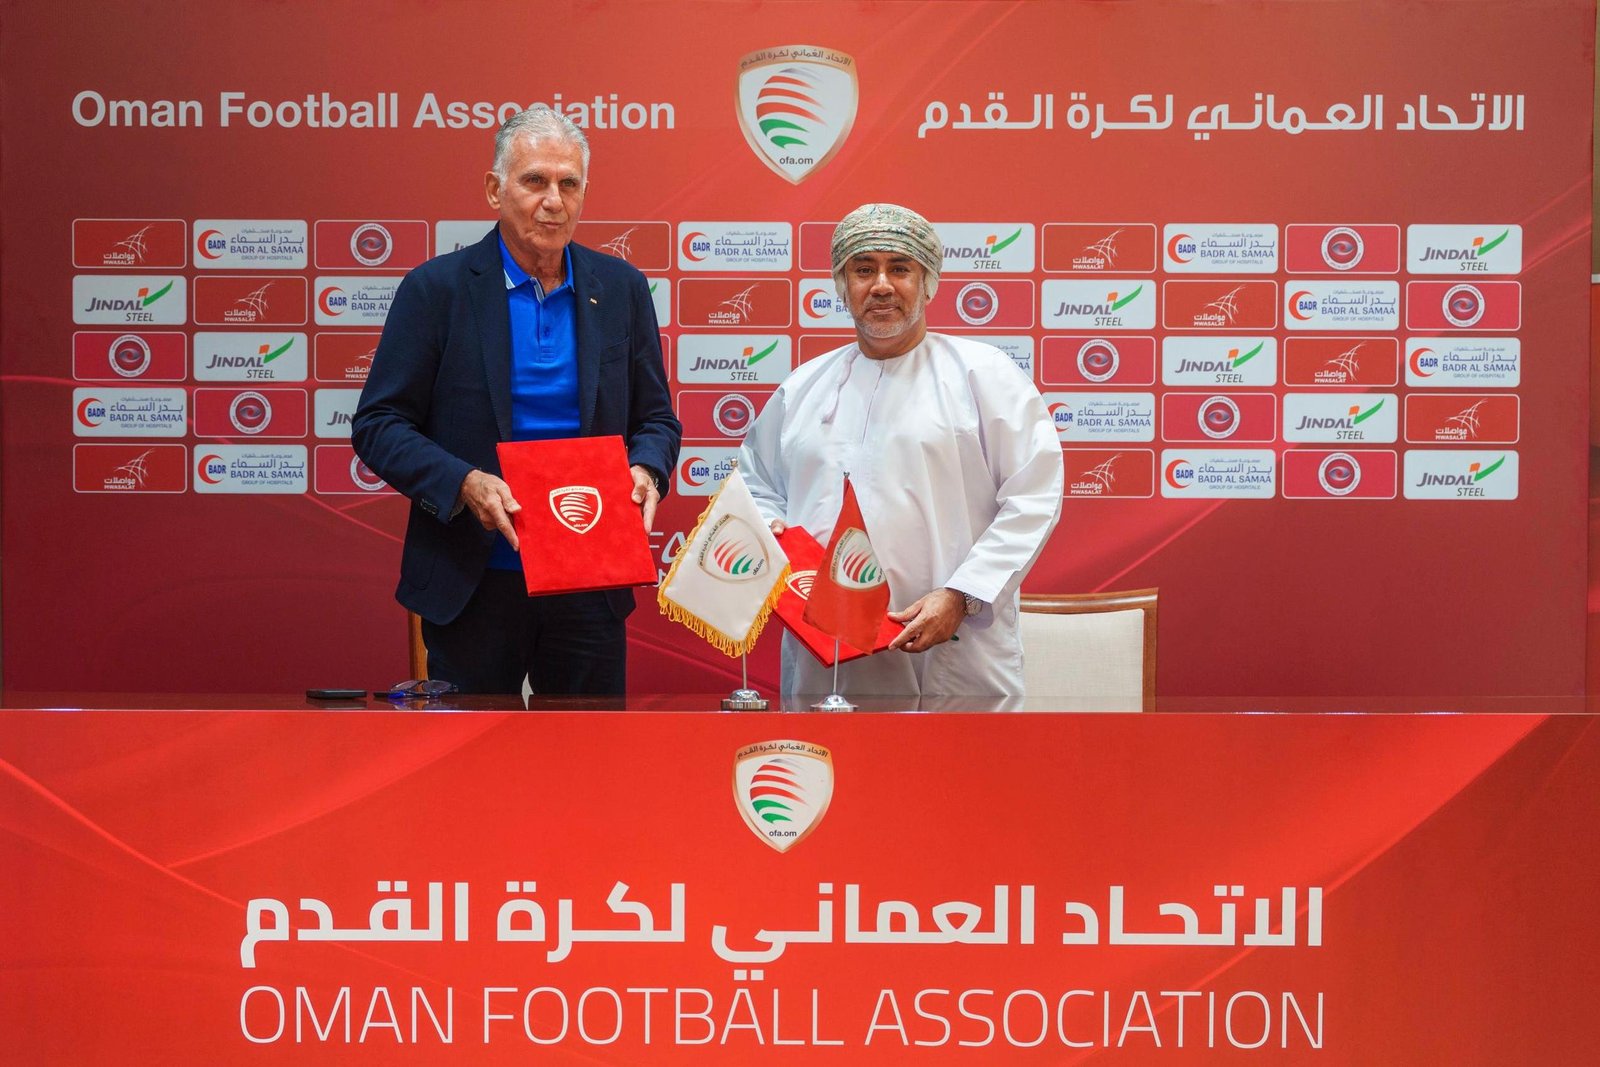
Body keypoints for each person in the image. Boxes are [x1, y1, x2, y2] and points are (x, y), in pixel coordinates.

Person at [353, 107, 680, 694]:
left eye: (569, 183)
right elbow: (379, 424)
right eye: (535, 181)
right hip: (473, 576)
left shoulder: (622, 289)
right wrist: (463, 483)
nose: (553, 201)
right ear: (494, 190)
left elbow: (655, 420)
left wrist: (647, 469)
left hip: (589, 575)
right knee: (473, 753)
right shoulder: (436, 290)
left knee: (586, 749)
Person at [740, 203, 1062, 697]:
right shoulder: (802, 389)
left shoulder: (983, 375)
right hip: (825, 653)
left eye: (900, 268)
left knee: (955, 749)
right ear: (841, 285)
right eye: (863, 269)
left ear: (927, 282)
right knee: (831, 749)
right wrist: (776, 540)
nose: (882, 285)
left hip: (953, 653)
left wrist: (963, 594)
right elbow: (756, 488)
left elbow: (1033, 496)